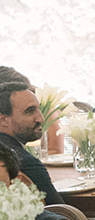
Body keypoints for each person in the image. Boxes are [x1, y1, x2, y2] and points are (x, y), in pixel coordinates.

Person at [0, 71, 60, 205]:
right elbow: (59, 210)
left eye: (39, 109)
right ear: (3, 120)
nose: (41, 119)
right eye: (30, 111)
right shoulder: (25, 162)